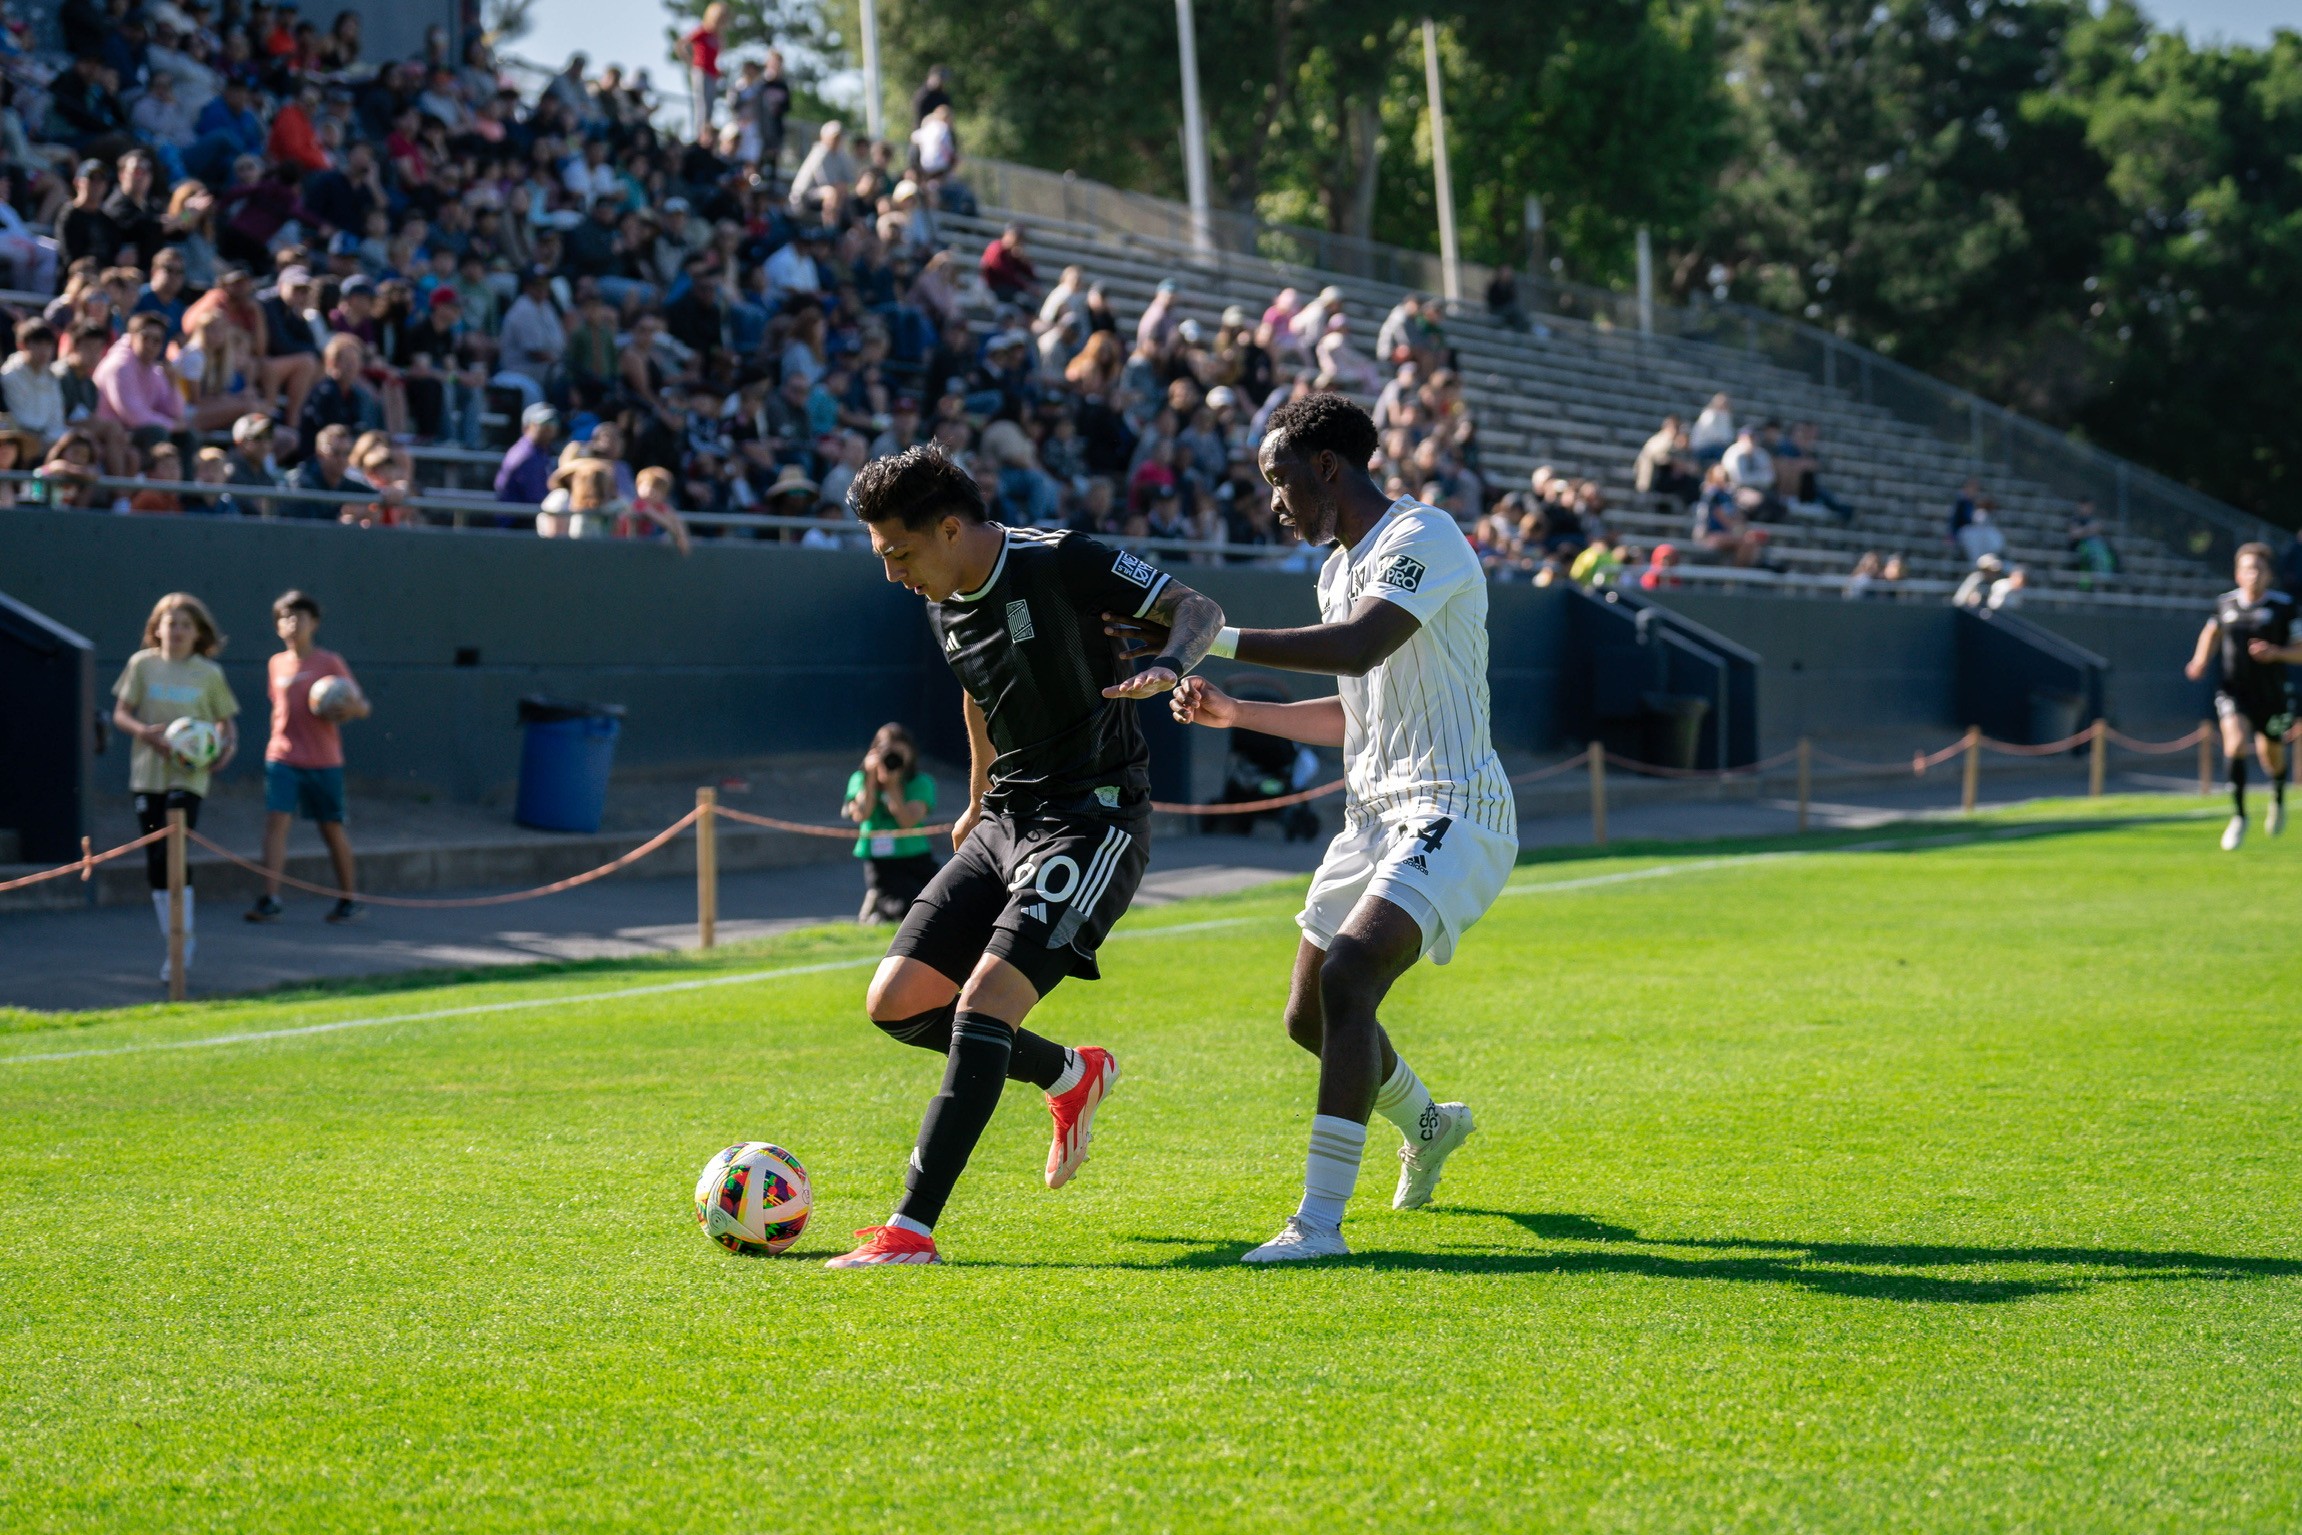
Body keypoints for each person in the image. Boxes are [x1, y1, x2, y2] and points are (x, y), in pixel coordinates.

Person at [1127, 393, 1514, 1263]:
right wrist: (1236, 713)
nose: (1273, 500)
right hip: (1370, 817)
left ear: (1328, 467)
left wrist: (1208, 639)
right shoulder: (1336, 571)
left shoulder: (1426, 537)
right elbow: (1355, 711)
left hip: (1452, 806)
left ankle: (1319, 1224)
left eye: (1280, 478)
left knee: (1349, 976)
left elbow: (1357, 647)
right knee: (1309, 1015)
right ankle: (1429, 1122)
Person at [826, 445, 1227, 1267]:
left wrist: (1166, 663)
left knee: (982, 1007)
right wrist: (977, 801)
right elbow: (980, 691)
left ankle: (910, 1229)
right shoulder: (940, 597)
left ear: (948, 528)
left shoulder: (1062, 560)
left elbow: (1200, 609)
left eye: (899, 554)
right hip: (1008, 814)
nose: (894, 574)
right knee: (897, 1002)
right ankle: (1068, 1074)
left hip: (1094, 814)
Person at [110, 591, 239, 988]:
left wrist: (224, 750)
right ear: (157, 629)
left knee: (175, 852)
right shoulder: (142, 666)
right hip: (149, 774)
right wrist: (144, 734)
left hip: (188, 776)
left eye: (186, 624)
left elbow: (225, 725)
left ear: (198, 632)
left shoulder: (208, 673)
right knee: (155, 860)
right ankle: (174, 939)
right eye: (171, 623)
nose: (178, 631)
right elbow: (120, 714)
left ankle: (182, 944)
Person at [246, 590, 368, 923]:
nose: (292, 623)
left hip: (323, 761)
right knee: (276, 822)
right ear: (277, 627)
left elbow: (362, 705)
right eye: (284, 617)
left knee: (331, 827)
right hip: (283, 757)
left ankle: (348, 900)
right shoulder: (276, 664)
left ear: (314, 623)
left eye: (299, 616)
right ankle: (270, 898)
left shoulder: (330, 662)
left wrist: (348, 707)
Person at [2185, 543, 2301, 851]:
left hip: (2272, 694)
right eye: (2248, 568)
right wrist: (2199, 660)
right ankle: (2238, 816)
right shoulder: (2225, 604)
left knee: (2271, 757)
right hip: (2233, 690)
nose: (2253, 574)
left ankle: (2277, 795)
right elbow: (2211, 633)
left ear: (2268, 575)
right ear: (2238, 573)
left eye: (2259, 569)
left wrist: (2276, 652)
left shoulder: (2284, 606)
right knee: (2234, 744)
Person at [844, 723, 938, 925]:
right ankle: (879, 903)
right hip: (881, 860)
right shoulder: (859, 779)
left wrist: (892, 786)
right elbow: (861, 814)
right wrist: (870, 780)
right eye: (887, 753)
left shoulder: (920, 782)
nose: (892, 760)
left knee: (939, 900)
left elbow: (907, 822)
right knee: (906, 908)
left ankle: (878, 902)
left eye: (898, 754)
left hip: (915, 855)